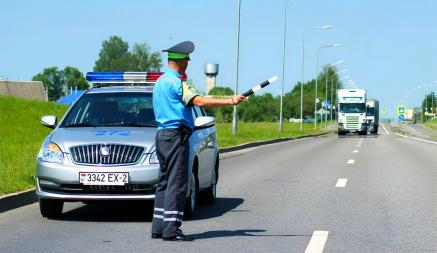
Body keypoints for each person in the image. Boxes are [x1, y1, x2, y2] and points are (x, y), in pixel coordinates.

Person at [151, 41, 245, 241]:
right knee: (177, 183)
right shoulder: (178, 82)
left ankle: (159, 226)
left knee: (164, 182)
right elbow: (200, 101)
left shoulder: (160, 81)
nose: (188, 63)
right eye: (187, 59)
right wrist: (230, 101)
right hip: (177, 135)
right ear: (181, 61)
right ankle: (172, 230)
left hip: (161, 135)